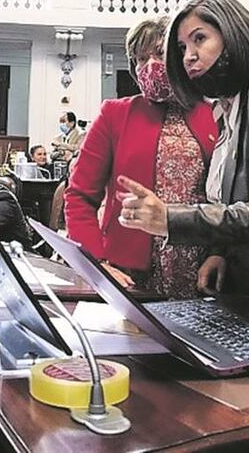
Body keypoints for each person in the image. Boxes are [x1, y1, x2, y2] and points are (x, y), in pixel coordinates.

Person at [116, 0, 249, 299]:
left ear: (232, 32)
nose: (189, 57)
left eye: (200, 39)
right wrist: (222, 252)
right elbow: (234, 196)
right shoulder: (227, 104)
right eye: (182, 48)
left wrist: (170, 218)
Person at [65, 15, 217, 299]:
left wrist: (222, 253)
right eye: (139, 58)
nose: (149, 66)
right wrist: (95, 262)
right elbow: (79, 197)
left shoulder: (215, 113)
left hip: (203, 274)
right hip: (130, 277)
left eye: (159, 53)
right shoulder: (114, 113)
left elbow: (230, 202)